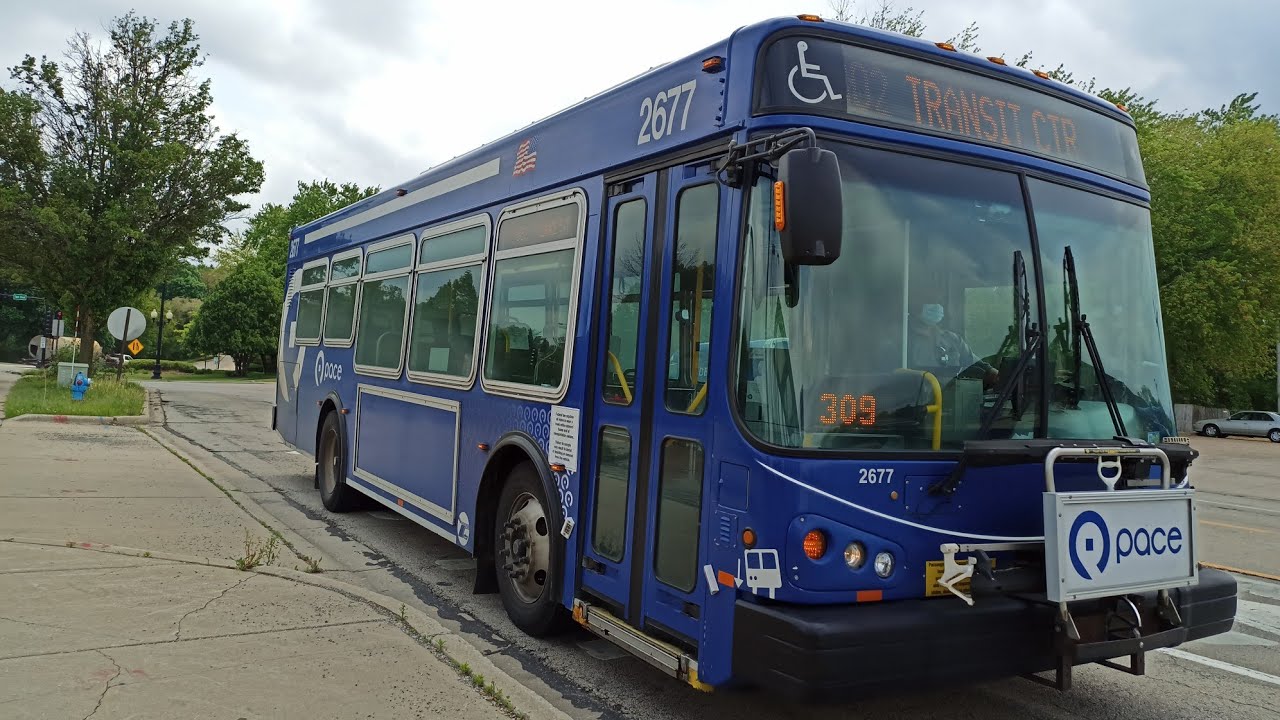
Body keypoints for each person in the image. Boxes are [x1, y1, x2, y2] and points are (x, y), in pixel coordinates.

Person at [908, 302, 999, 388]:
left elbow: (973, 361)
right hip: (919, 399)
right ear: (914, 307)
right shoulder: (904, 340)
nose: (936, 305)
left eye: (937, 301)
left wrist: (991, 372)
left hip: (953, 397)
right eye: (930, 301)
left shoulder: (952, 339)